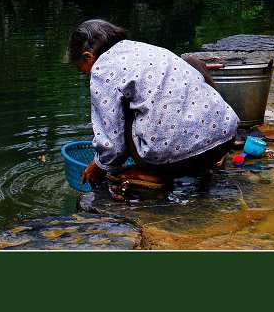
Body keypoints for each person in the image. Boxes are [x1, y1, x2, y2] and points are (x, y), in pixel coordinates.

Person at [68, 19, 239, 187]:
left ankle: (153, 174)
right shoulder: (143, 49)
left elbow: (113, 144)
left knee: (121, 113)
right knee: (192, 64)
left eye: (82, 70)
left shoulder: (102, 68)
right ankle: (205, 161)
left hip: (177, 159)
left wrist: (99, 165)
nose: (87, 75)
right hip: (224, 139)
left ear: (88, 56)